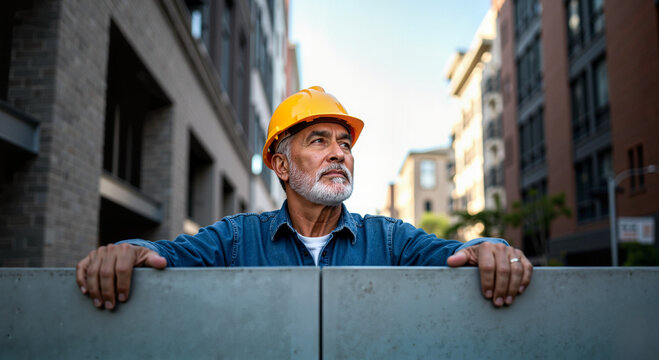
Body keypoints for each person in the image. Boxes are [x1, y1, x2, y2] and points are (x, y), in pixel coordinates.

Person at [76, 86, 532, 311]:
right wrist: (130, 251)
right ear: (280, 165)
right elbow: (168, 255)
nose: (339, 152)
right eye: (318, 141)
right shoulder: (236, 239)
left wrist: (495, 251)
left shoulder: (390, 240)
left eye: (345, 144)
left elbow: (461, 254)